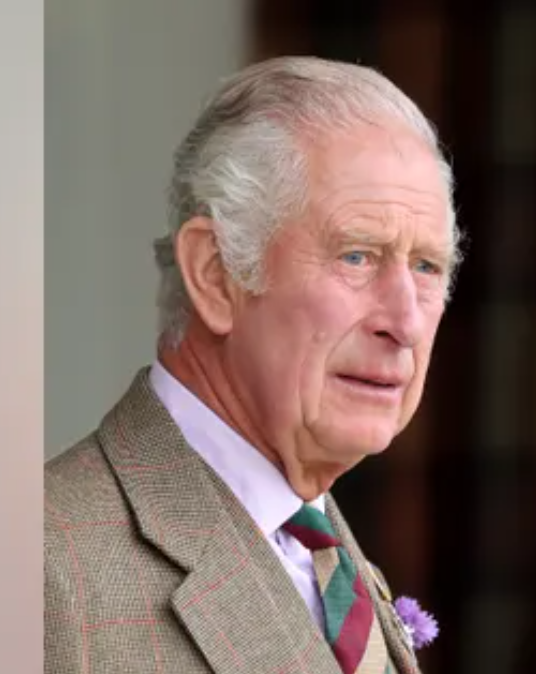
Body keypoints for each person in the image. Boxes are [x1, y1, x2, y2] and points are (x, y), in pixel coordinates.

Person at [45, 55, 461, 674]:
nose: (405, 322)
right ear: (216, 274)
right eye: (356, 256)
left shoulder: (328, 558)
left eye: (427, 266)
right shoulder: (44, 570)